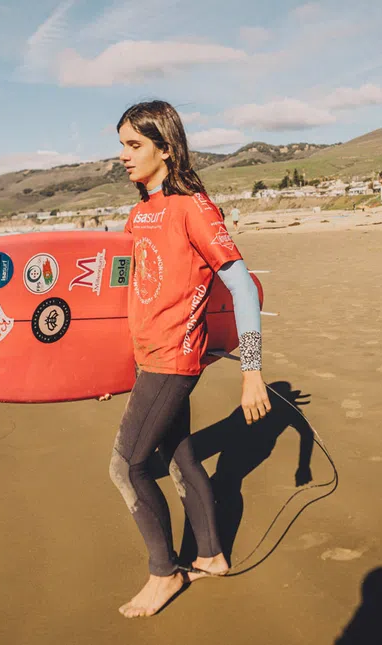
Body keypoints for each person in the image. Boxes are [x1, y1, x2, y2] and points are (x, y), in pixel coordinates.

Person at [111, 100, 270, 618]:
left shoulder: (192, 208)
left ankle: (164, 574)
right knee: (179, 458)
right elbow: (138, 294)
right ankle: (211, 555)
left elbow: (242, 288)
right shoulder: (139, 213)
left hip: (172, 361)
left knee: (128, 467)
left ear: (165, 146)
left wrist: (252, 371)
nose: (124, 156)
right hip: (147, 358)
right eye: (121, 145)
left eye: (134, 145)